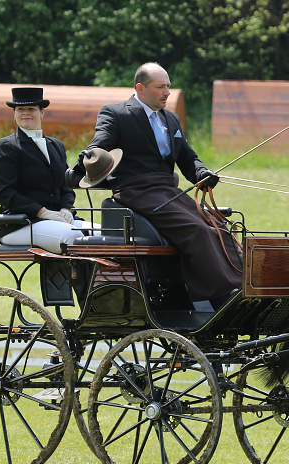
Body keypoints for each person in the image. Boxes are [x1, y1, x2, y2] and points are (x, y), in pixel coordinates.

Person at [83, 62, 243, 306]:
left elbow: (188, 158)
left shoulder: (171, 119)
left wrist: (202, 174)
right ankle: (220, 296)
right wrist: (89, 156)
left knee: (219, 227)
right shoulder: (116, 113)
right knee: (197, 230)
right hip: (135, 191)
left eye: (168, 86)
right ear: (141, 88)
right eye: (160, 87)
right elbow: (100, 144)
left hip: (167, 191)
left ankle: (241, 286)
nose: (167, 92)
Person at [0, 87, 97, 254]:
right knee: (72, 237)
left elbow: (65, 186)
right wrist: (43, 213)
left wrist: (66, 209)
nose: (26, 113)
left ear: (42, 113)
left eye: (31, 109)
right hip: (20, 224)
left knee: (104, 233)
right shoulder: (7, 147)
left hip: (57, 218)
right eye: (20, 109)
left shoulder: (56, 145)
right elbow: (5, 193)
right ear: (14, 114)